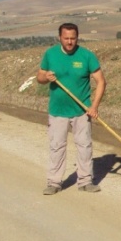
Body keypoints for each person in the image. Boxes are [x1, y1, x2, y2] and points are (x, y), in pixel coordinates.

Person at [37, 23, 106, 194]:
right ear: (59, 37)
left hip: (81, 110)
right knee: (57, 146)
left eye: (73, 38)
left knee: (84, 146)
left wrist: (94, 106)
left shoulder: (87, 56)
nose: (69, 42)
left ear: (77, 37)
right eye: (66, 38)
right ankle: (54, 182)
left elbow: (101, 82)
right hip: (57, 110)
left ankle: (85, 181)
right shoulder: (50, 54)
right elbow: (39, 77)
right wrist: (46, 77)